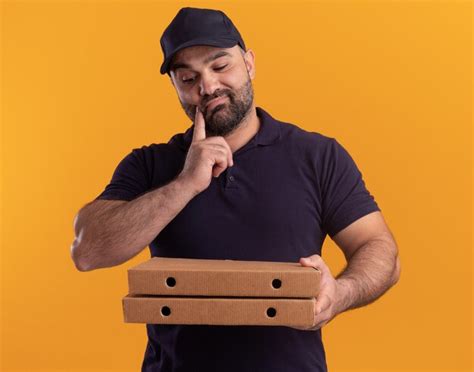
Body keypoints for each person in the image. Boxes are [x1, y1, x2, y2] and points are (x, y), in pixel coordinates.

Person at [70, 7, 400, 372]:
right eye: (188, 77)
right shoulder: (150, 165)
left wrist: (341, 293)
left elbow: (380, 249)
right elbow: (87, 251)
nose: (207, 86)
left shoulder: (317, 156)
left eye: (220, 65)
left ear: (249, 63)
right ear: (175, 87)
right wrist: (184, 185)